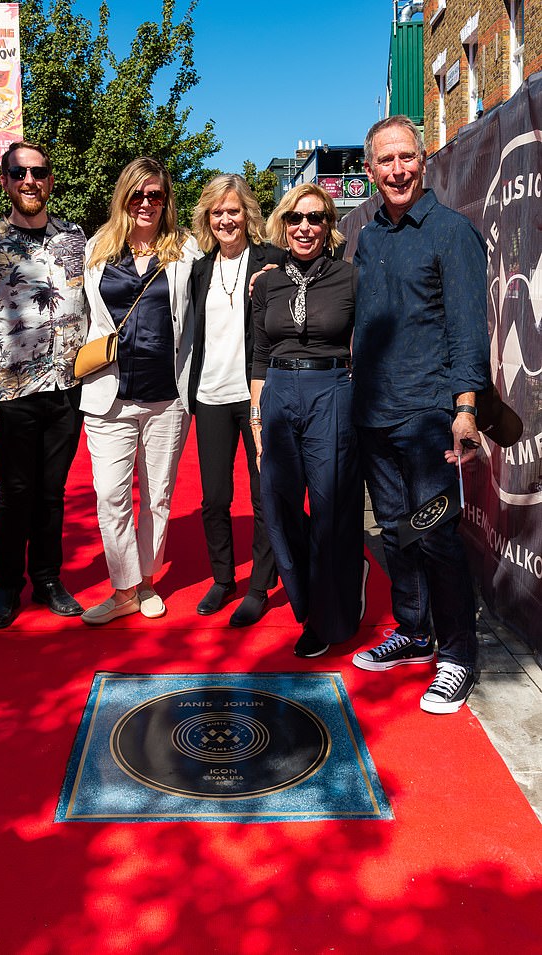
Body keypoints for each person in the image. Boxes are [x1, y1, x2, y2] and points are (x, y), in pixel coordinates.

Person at [351, 115, 491, 714]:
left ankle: (459, 653)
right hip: (374, 415)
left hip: (430, 415)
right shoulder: (368, 235)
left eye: (406, 157)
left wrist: (465, 408)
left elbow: (467, 327)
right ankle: (414, 630)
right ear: (370, 169)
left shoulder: (452, 232)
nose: (398, 170)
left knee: (436, 537)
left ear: (423, 159)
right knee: (397, 533)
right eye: (386, 161)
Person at [0, 141, 87, 628]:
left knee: (53, 492)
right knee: (14, 491)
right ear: (5, 181)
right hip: (10, 393)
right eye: (19, 173)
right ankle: (8, 583)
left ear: (50, 180)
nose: (30, 180)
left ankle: (48, 579)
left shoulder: (75, 238)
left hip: (68, 389)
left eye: (39, 172)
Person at [79, 157, 201, 625]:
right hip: (108, 394)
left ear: (167, 201)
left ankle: (146, 582)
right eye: (138, 195)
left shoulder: (185, 251)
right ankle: (123, 588)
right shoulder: (96, 250)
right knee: (110, 495)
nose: (147, 203)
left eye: (156, 195)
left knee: (157, 498)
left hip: (167, 396)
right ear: (123, 198)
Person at [250, 183, 364, 658]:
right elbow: (258, 353)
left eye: (315, 218)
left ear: (329, 225)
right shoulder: (266, 282)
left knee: (330, 505)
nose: (305, 227)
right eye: (296, 219)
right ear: (283, 224)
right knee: (278, 503)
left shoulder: (349, 279)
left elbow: (367, 342)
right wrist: (257, 418)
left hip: (331, 392)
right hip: (277, 393)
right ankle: (305, 598)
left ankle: (326, 616)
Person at [188, 175, 280, 627]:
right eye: (217, 212)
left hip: (257, 395)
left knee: (263, 496)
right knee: (215, 498)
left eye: (234, 210)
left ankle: (260, 587)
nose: (226, 219)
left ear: (248, 214)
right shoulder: (199, 269)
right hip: (210, 396)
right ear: (208, 218)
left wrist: (274, 279)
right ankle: (223, 579)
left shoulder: (272, 261)